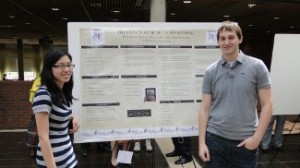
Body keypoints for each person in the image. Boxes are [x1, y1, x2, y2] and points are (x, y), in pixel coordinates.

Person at [198, 21, 273, 167]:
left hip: (245, 143)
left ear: (240, 39)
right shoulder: (211, 71)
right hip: (215, 141)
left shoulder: (257, 66)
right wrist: (202, 143)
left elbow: (267, 104)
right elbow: (204, 108)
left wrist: (257, 138)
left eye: (231, 37)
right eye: (222, 38)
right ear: (218, 42)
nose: (226, 42)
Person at [32, 48, 80, 167]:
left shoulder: (61, 92)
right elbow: (43, 138)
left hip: (68, 157)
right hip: (54, 162)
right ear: (49, 68)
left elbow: (56, 116)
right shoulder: (43, 94)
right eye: (60, 66)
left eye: (69, 65)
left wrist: (73, 117)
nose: (67, 69)